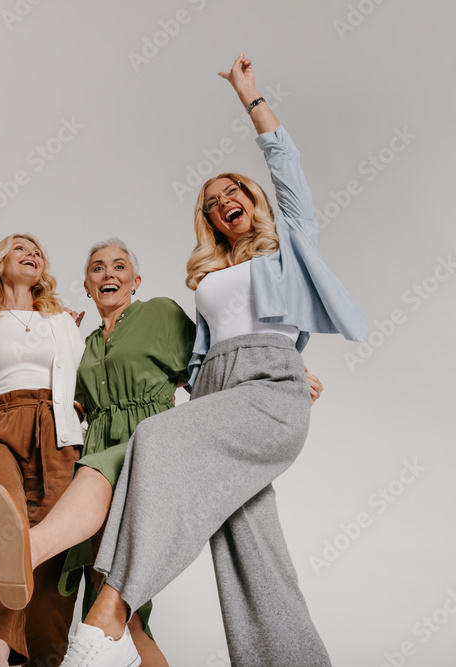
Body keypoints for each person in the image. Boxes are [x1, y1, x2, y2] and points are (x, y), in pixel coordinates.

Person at [52, 55, 368, 667]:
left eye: (233, 192)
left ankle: (107, 616)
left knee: (155, 438)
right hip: (220, 392)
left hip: (268, 393)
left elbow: (288, 169)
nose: (225, 201)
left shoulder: (287, 252)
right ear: (208, 219)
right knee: (251, 550)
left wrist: (250, 97)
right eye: (212, 200)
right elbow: (204, 359)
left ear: (251, 200)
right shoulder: (211, 274)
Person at [0, 234, 85, 667]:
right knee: (0, 515)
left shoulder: (63, 320)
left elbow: (96, 369)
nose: (31, 255)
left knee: (53, 547)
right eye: (19, 248)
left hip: (57, 430)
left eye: (38, 251)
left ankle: (43, 657)